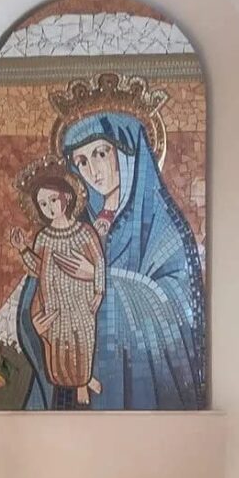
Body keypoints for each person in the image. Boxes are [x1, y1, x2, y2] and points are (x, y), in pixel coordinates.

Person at [17, 108, 206, 410]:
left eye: (100, 154)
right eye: (81, 161)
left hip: (137, 388)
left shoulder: (164, 227)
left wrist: (100, 278)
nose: (92, 170)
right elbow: (41, 286)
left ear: (128, 152)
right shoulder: (78, 224)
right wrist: (38, 324)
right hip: (72, 367)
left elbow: (178, 306)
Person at [11, 161, 104, 407]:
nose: (49, 207)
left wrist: (99, 290)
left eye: (53, 200)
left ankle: (83, 381)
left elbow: (98, 261)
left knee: (83, 342)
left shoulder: (84, 232)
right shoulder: (44, 237)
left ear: (67, 197)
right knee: (60, 347)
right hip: (55, 303)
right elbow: (38, 269)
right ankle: (71, 382)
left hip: (81, 303)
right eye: (43, 204)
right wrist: (23, 250)